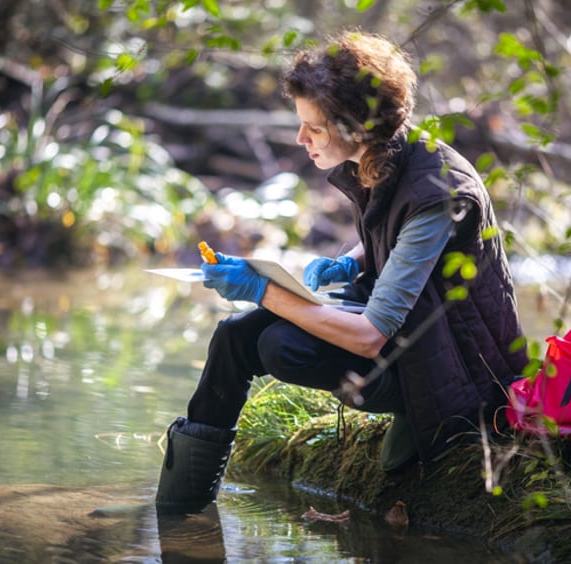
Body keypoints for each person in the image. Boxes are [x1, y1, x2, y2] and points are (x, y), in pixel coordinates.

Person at [155, 30, 529, 514]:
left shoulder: (441, 193)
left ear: (357, 124)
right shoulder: (389, 153)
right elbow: (395, 232)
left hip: (453, 368)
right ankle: (179, 508)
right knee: (235, 336)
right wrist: (351, 260)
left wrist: (263, 289)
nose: (300, 138)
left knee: (280, 346)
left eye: (312, 127)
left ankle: (418, 416)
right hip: (415, 332)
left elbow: (370, 335)